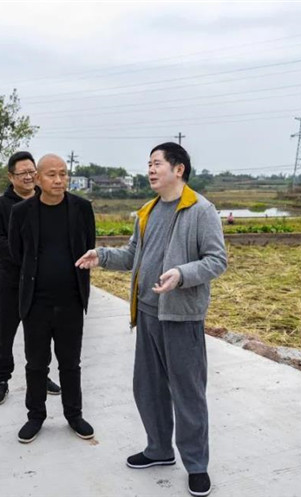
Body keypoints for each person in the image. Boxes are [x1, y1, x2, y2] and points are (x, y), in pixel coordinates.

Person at [76, 142, 227, 497]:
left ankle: (197, 465)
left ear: (179, 169)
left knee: (188, 393)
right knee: (148, 388)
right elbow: (133, 255)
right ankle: (159, 449)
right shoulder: (147, 210)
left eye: (157, 163)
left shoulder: (201, 210)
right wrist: (102, 256)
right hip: (146, 312)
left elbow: (216, 260)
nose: (150, 170)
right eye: (149, 164)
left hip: (181, 317)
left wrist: (181, 274)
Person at [8, 153, 96, 444]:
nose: (59, 180)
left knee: (70, 363)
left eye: (63, 174)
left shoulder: (82, 208)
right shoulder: (21, 212)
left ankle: (74, 414)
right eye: (51, 174)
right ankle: (35, 416)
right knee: (36, 364)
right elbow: (17, 253)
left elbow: (88, 246)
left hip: (71, 301)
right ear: (37, 178)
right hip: (36, 303)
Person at [0, 151, 61, 405]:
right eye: (23, 173)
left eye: (32, 172)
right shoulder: (0, 206)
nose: (29, 177)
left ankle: (42, 375)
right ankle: (1, 380)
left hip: (40, 283)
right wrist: (27, 256)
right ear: (11, 177)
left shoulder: (47, 200)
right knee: (4, 334)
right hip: (10, 282)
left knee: (41, 333)